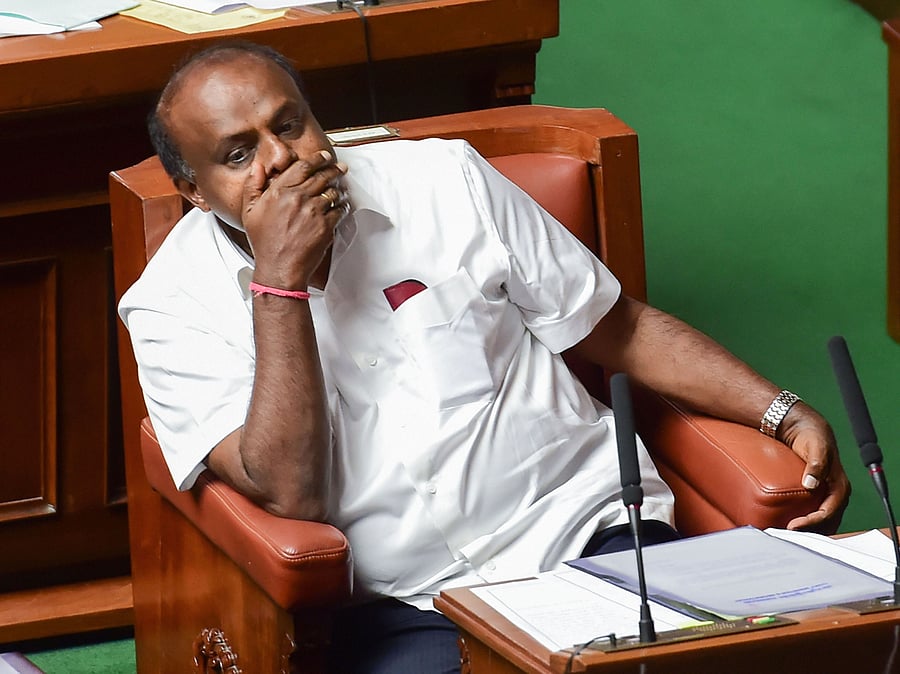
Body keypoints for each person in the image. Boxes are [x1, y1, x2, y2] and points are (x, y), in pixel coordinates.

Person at [119, 41, 850, 673]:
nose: (282, 161)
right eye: (239, 155)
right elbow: (290, 495)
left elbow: (615, 327)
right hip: (405, 603)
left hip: (588, 532)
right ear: (192, 189)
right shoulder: (169, 307)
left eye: (290, 125)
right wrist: (279, 285)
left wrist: (779, 411)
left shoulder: (447, 181)